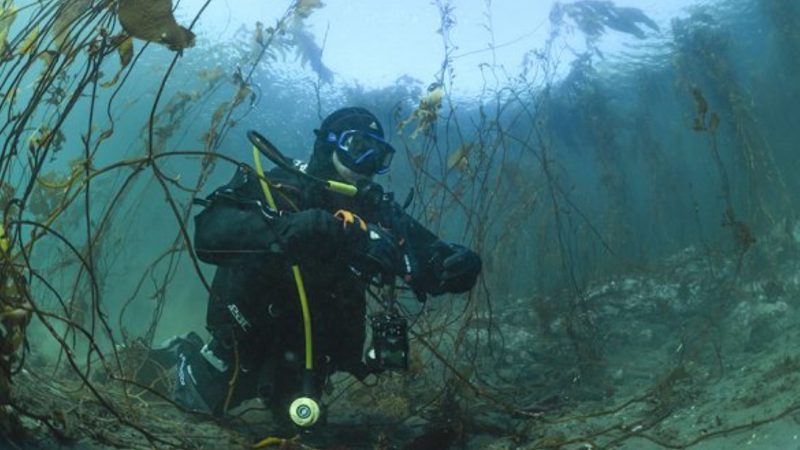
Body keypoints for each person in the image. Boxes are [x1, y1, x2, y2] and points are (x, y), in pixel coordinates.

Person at [151, 107, 481, 427]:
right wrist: (296, 228)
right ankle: (184, 352)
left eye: (377, 156)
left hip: (309, 360)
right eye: (357, 148)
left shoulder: (375, 210)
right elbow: (209, 233)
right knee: (198, 404)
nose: (366, 165)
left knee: (298, 424)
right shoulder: (277, 186)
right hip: (245, 343)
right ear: (328, 143)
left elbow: (428, 257)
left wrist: (458, 266)